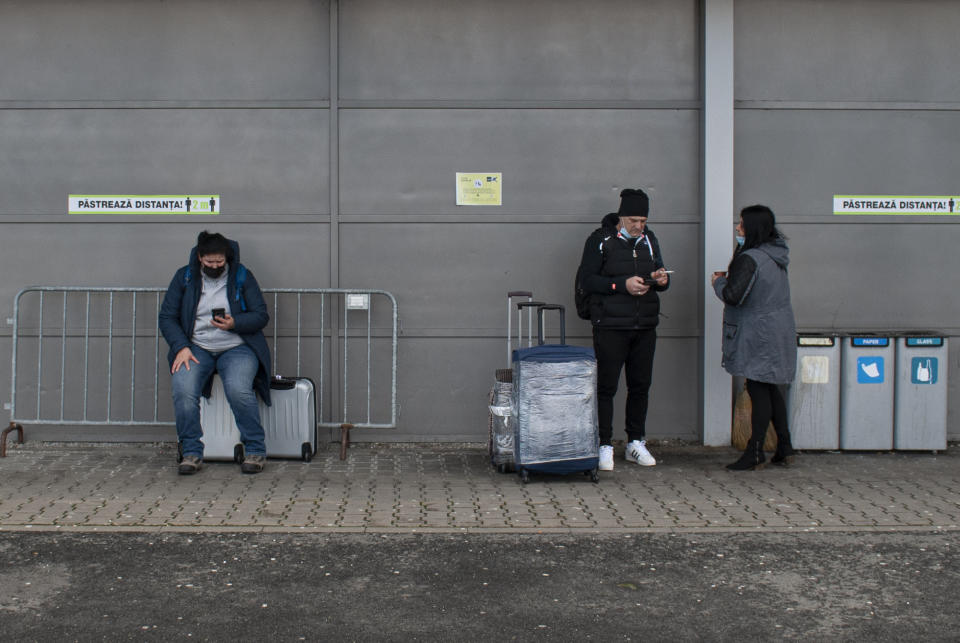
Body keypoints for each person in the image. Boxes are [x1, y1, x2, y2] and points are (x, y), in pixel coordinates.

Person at [159, 231, 272, 475]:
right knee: (183, 390)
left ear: (227, 257)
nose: (214, 266)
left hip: (237, 347)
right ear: (199, 257)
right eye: (209, 262)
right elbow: (167, 317)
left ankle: (255, 449)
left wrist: (235, 323)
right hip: (195, 347)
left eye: (219, 262)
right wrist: (181, 347)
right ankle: (191, 452)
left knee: (238, 390)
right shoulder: (184, 277)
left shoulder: (242, 276)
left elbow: (261, 315)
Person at [578, 188, 670, 471]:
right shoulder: (600, 240)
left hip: (644, 324)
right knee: (606, 387)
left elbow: (660, 272)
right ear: (621, 217)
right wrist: (621, 284)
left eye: (643, 220)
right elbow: (587, 279)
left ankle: (635, 442)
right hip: (610, 325)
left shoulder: (650, 240)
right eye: (633, 220)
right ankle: (604, 444)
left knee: (640, 385)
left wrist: (661, 280)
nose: (638, 226)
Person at [711, 205, 797, 471]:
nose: (738, 229)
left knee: (758, 388)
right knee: (771, 388)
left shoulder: (751, 258)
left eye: (741, 224)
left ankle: (755, 451)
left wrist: (718, 282)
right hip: (777, 330)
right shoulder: (775, 255)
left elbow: (734, 296)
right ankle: (784, 446)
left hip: (757, 334)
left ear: (752, 228)